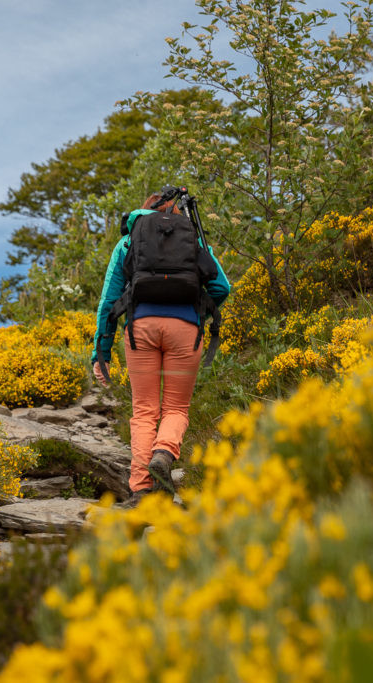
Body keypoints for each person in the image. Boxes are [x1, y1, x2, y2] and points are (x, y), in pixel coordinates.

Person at [91, 188, 230, 507]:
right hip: (185, 329)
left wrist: (101, 352)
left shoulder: (128, 242)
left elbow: (107, 302)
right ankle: (164, 454)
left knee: (143, 411)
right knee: (176, 408)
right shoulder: (192, 239)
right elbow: (222, 286)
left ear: (143, 213)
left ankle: (140, 490)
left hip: (141, 329)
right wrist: (200, 311)